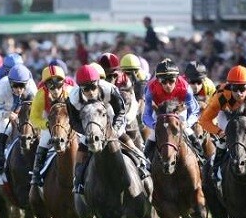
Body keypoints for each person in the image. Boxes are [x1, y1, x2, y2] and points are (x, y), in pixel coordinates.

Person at [67, 64, 143, 195]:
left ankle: (141, 165)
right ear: (80, 88)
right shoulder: (73, 99)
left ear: (98, 83)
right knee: (81, 150)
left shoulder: (109, 89)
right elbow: (73, 122)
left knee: (125, 139)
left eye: (93, 87)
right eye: (86, 89)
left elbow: (120, 111)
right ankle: (78, 181)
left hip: (109, 115)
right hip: (89, 122)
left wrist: (115, 129)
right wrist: (89, 131)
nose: (90, 92)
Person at [142, 58, 203, 161]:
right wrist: (153, 125)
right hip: (160, 112)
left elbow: (194, 111)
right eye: (163, 81)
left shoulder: (185, 88)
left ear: (177, 78)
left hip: (179, 110)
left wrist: (186, 124)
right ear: (157, 80)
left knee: (186, 130)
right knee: (153, 134)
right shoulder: (150, 89)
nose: (168, 85)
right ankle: (144, 162)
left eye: (171, 81)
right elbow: (146, 115)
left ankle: (201, 158)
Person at [0, 64, 38, 176]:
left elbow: (36, 109)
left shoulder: (31, 88)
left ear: (27, 83)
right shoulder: (1, 88)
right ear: (10, 83)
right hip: (3, 110)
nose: (19, 90)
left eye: (22, 86)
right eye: (15, 86)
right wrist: (7, 114)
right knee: (6, 129)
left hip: (22, 109)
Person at [29, 64, 72, 186]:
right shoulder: (40, 95)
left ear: (63, 83)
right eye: (51, 87)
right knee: (44, 140)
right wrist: (47, 124)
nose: (55, 91)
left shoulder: (71, 92)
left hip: (68, 122)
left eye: (58, 86)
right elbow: (34, 118)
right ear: (46, 86)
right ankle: (36, 174)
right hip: (50, 121)